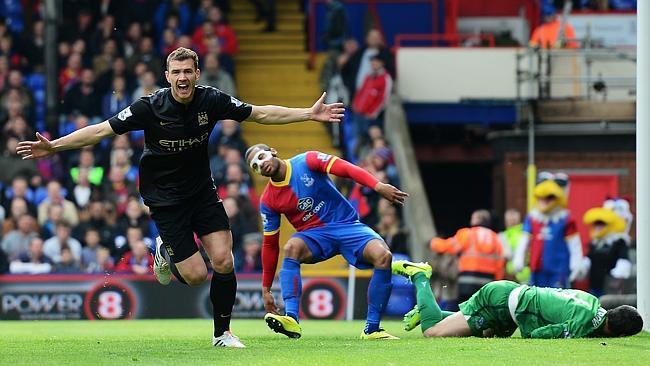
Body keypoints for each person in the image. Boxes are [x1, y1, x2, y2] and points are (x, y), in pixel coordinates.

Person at [16, 47, 344, 348]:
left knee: (224, 261)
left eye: (188, 71)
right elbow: (101, 130)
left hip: (201, 191)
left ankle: (223, 334)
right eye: (176, 72)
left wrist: (307, 114)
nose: (183, 77)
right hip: (165, 199)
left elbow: (259, 113)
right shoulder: (149, 106)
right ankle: (164, 249)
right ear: (167, 75)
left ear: (197, 74)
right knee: (196, 275)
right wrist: (54, 146)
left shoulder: (211, 99)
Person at [244, 143, 408, 340]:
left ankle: (372, 329)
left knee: (383, 256)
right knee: (291, 247)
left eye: (261, 157)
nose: (261, 165)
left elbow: (346, 168)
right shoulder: (268, 200)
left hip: (346, 224)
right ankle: (292, 319)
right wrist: (266, 289)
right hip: (314, 236)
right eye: (255, 166)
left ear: (272, 151)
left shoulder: (307, 160)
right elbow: (270, 245)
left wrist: (378, 186)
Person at [392, 260, 643, 339]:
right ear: (619, 334)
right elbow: (538, 335)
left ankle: (427, 310)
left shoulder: (592, 302)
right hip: (501, 303)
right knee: (432, 332)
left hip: (514, 299)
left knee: (484, 335)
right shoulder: (583, 325)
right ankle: (420, 276)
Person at [430, 209, 505, 303]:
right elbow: (500, 263)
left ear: (478, 219)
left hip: (467, 279)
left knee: (466, 309)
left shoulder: (467, 234)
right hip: (487, 281)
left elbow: (449, 246)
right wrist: (497, 281)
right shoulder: (496, 238)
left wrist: (433, 242)